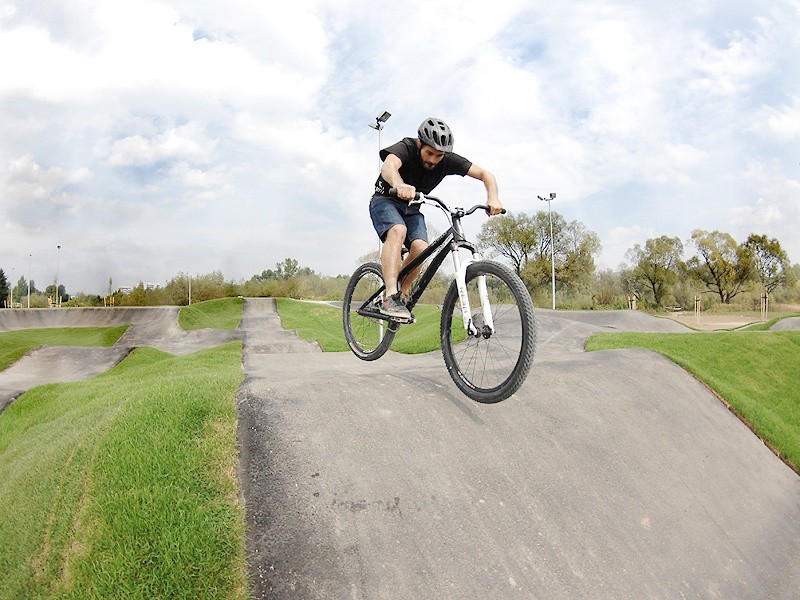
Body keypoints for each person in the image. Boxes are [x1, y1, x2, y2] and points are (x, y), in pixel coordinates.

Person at [369, 117, 504, 320]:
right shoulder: (406, 146)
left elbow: (485, 174)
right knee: (398, 230)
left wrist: (493, 196)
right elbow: (388, 166)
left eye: (438, 155)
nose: (433, 159)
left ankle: (399, 296)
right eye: (429, 153)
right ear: (420, 144)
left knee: (422, 249)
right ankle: (389, 296)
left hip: (412, 208)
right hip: (385, 200)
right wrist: (399, 183)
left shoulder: (447, 160)